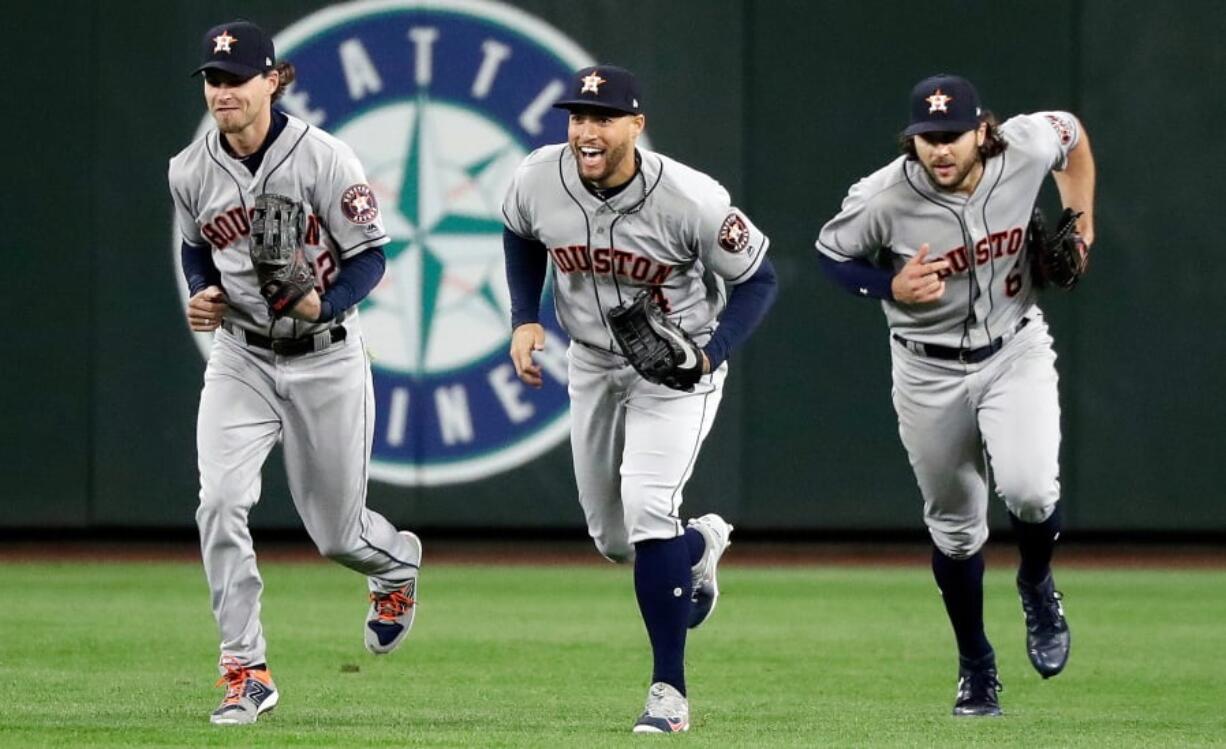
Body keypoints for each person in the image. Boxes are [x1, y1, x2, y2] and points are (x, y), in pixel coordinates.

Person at [501, 65, 778, 733]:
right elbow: (520, 229)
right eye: (578, 117)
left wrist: (712, 354)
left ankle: (669, 693)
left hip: (678, 368)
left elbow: (759, 278)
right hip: (593, 362)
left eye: (602, 118)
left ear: (636, 126)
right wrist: (523, 314)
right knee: (613, 536)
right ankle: (698, 546)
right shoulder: (540, 174)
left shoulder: (690, 197)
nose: (586, 131)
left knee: (649, 507)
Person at [815, 73, 1096, 716]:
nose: (939, 151)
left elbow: (1073, 140)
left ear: (982, 130)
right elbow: (832, 255)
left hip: (1014, 349)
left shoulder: (1025, 145)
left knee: (1030, 488)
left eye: (951, 136)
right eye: (926, 138)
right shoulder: (883, 195)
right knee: (957, 531)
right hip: (927, 371)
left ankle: (1035, 581)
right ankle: (976, 662)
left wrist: (1082, 232)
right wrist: (887, 287)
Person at [168, 19, 424, 725]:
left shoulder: (325, 157)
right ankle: (244, 669)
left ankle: (395, 565)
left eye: (235, 78)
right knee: (219, 502)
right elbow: (197, 248)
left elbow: (371, 254)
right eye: (213, 80)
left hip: (328, 356)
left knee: (338, 535)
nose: (222, 91)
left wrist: (324, 301)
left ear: (272, 81)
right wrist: (204, 289)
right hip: (241, 356)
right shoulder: (189, 168)